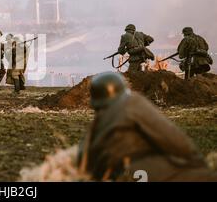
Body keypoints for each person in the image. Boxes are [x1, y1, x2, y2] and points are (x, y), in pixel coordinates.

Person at [78, 72, 217, 182]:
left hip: (118, 176)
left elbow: (85, 163)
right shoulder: (132, 102)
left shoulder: (94, 127)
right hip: (146, 171)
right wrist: (197, 162)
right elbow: (171, 137)